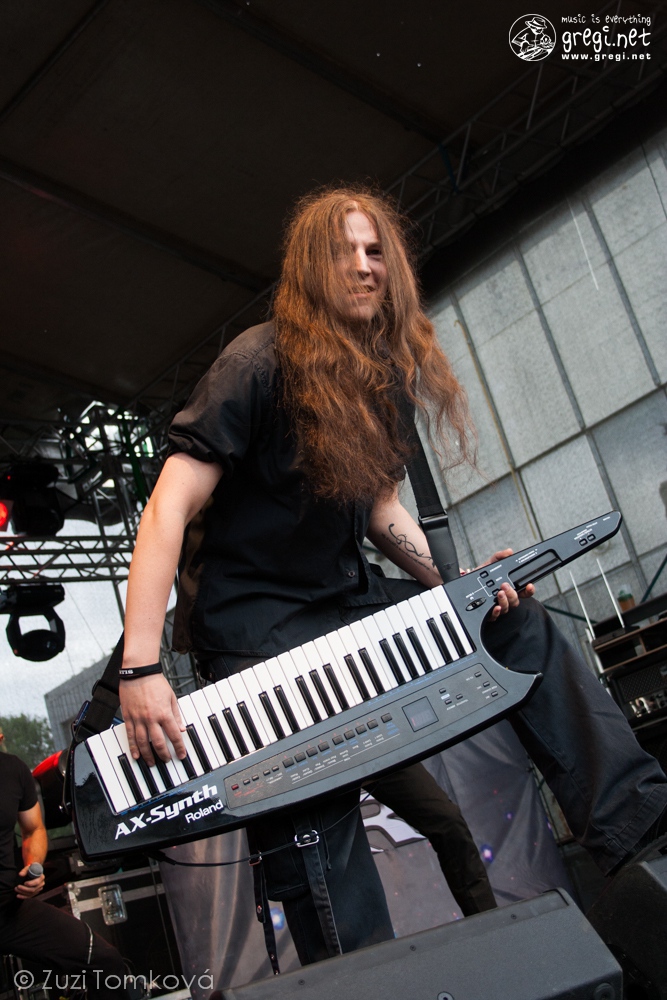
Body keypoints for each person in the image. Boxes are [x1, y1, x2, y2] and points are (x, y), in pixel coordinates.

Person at [119, 187, 667, 966]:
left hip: (350, 609)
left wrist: (456, 583)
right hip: (260, 639)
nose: (363, 265)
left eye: (375, 250)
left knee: (511, 620)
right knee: (322, 831)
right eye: (343, 251)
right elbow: (167, 507)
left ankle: (637, 829)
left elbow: (379, 508)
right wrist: (141, 668)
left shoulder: (380, 376)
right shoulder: (254, 362)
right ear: (309, 267)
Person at [0, 728, 126, 997]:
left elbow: (34, 829)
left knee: (105, 963)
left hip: (8, 909)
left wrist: (33, 867)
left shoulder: (13, 770)